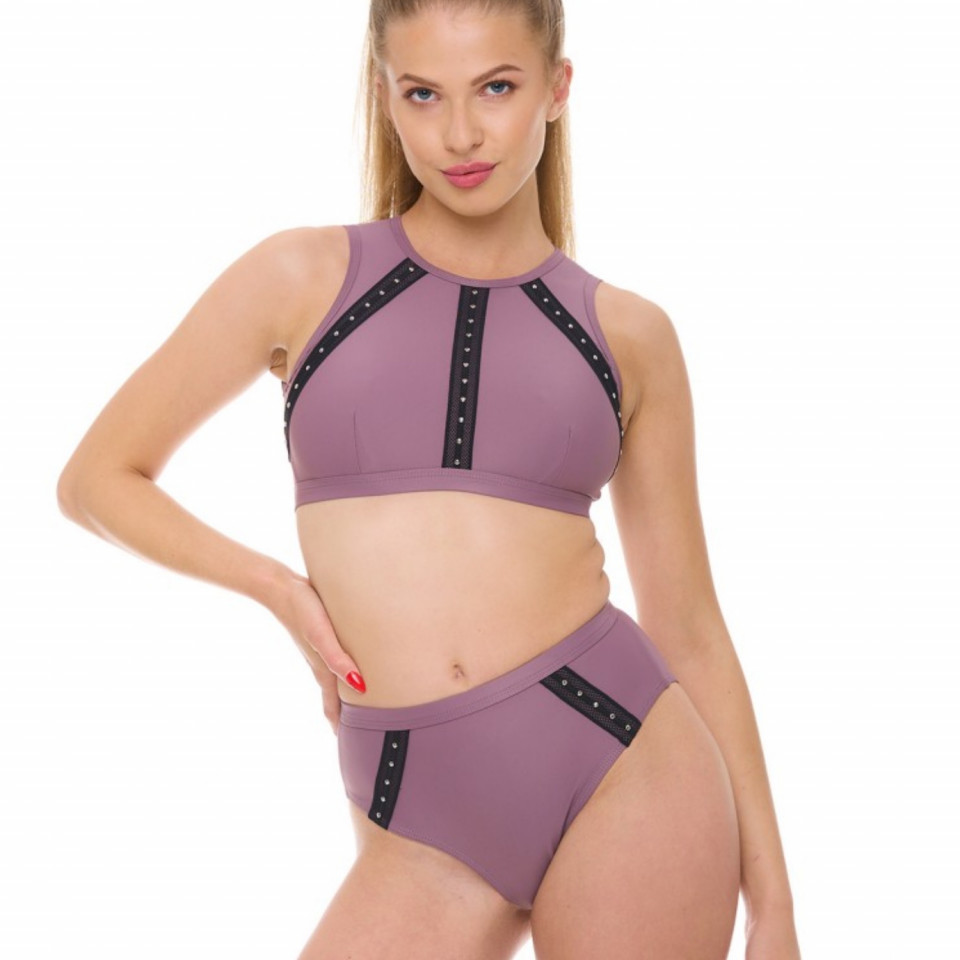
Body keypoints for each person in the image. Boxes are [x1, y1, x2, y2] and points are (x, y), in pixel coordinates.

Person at [57, 1, 802, 957]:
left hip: (625, 756)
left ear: (557, 89)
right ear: (385, 98)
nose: (459, 134)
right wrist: (281, 592)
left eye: (496, 87)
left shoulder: (629, 335)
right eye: (423, 94)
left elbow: (689, 626)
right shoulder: (302, 276)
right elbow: (97, 479)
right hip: (420, 812)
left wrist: (775, 906)